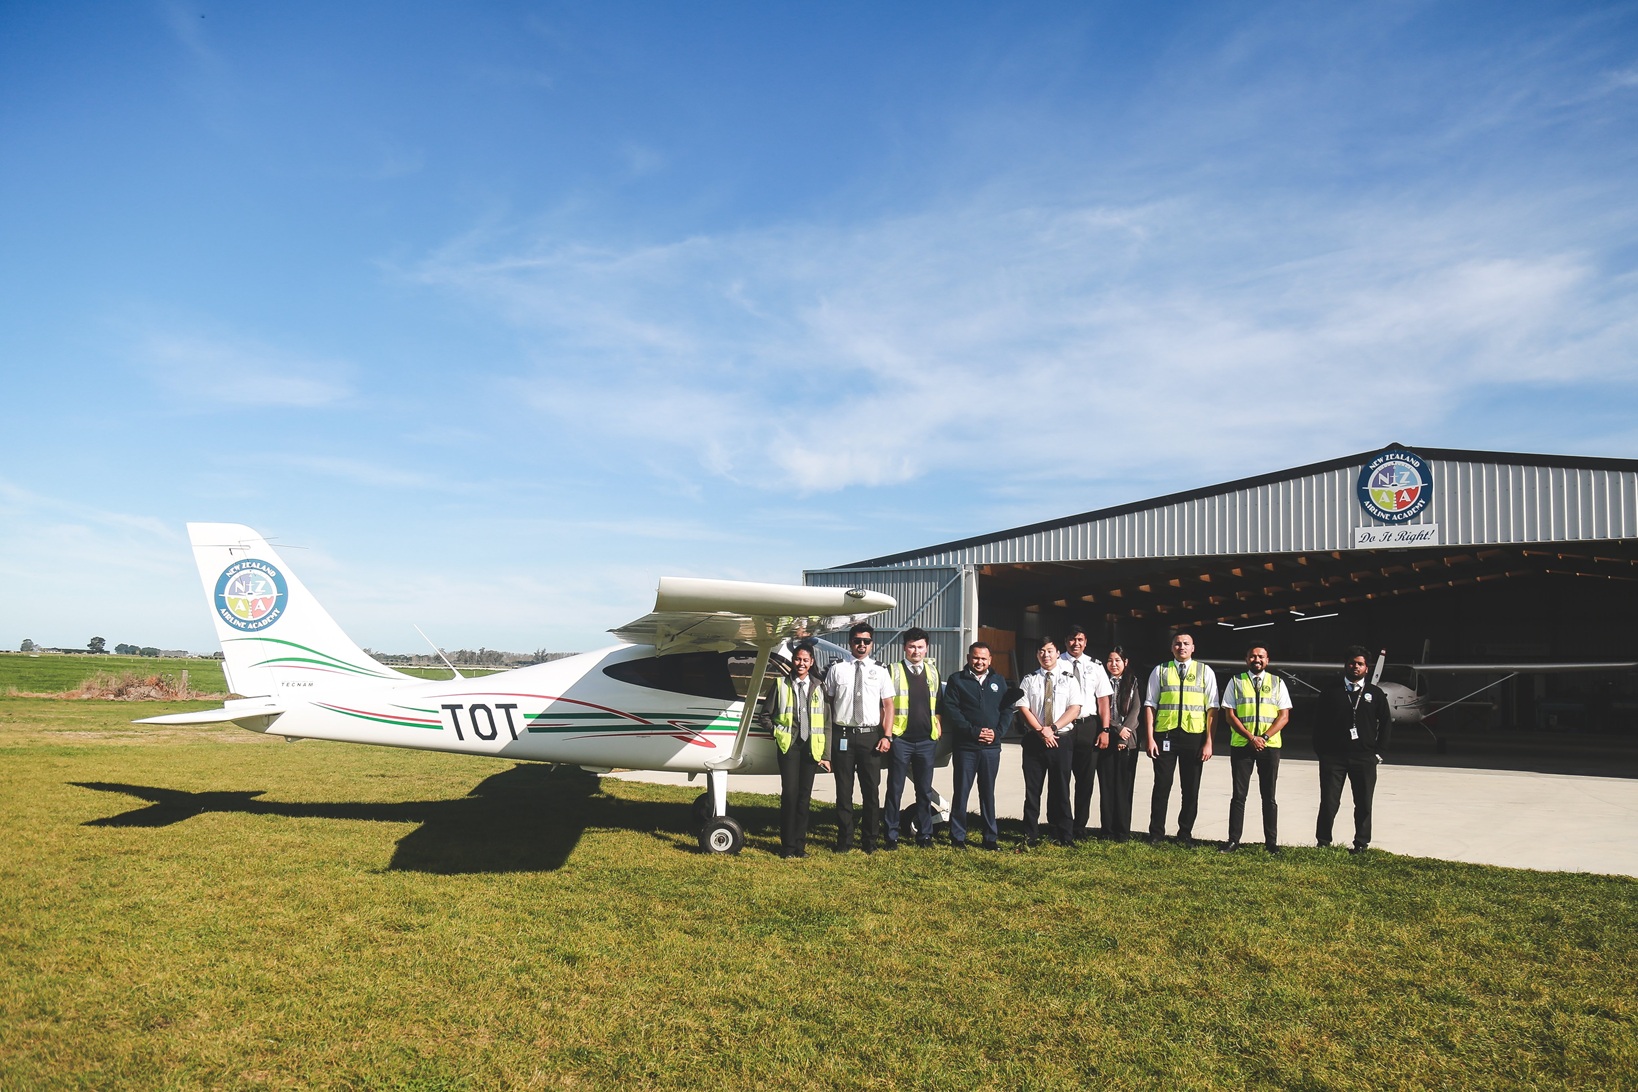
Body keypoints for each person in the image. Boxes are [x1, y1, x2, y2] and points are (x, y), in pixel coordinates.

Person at [823, 622, 896, 853]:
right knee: (844, 791)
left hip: (870, 737)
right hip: (843, 736)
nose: (861, 645)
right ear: (850, 643)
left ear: (871, 644)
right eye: (857, 641)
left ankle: (870, 842)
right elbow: (828, 704)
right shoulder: (837, 669)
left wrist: (887, 735)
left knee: (871, 792)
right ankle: (844, 841)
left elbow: (888, 705)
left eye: (866, 641)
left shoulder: (881, 670)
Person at [755, 641, 831, 858]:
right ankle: (787, 847)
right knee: (789, 795)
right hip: (790, 747)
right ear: (793, 661)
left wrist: (825, 755)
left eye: (805, 660)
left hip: (811, 748)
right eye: (798, 659)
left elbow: (826, 723)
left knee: (804, 798)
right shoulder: (780, 685)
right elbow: (765, 716)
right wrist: (778, 733)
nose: (801, 663)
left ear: (812, 662)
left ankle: (800, 846)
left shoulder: (819, 686)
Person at [1313, 645, 1393, 853]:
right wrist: (1322, 752)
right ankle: (1323, 842)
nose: (1355, 667)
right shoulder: (1331, 691)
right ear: (1345, 665)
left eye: (1360, 664)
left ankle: (1361, 843)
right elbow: (1317, 723)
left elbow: (1386, 723)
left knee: (1364, 803)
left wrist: (1378, 753)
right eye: (1352, 663)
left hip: (1364, 758)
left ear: (1367, 667)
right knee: (1329, 802)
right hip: (1333, 758)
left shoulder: (1375, 694)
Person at [1144, 632, 1218, 847]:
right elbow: (1150, 705)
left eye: (1186, 644)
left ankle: (1185, 832)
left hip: (1193, 736)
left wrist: (1209, 741)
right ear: (1171, 647)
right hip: (1165, 734)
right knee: (1162, 785)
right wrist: (1150, 738)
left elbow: (1212, 708)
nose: (1182, 647)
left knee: (1191, 787)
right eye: (1178, 644)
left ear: (1193, 647)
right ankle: (1156, 832)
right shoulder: (1160, 670)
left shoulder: (1205, 672)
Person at [940, 641, 1013, 849]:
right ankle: (957, 837)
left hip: (991, 748)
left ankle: (990, 838)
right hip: (967, 747)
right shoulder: (957, 680)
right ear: (968, 658)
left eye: (983, 658)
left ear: (990, 660)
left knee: (987, 793)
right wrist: (974, 732)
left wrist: (997, 733)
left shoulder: (998, 681)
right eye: (975, 657)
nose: (979, 661)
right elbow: (952, 711)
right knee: (961, 791)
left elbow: (1007, 710)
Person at [1220, 644, 1292, 854]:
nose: (1257, 660)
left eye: (1261, 656)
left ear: (1267, 660)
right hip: (1243, 745)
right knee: (1238, 795)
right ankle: (1233, 840)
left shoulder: (1278, 683)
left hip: (1269, 747)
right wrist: (1251, 737)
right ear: (1246, 659)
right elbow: (1230, 715)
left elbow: (1284, 716)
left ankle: (1271, 842)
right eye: (1253, 656)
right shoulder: (1236, 681)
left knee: (1268, 796)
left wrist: (1264, 737)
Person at [1016, 639, 1083, 846]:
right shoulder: (1029, 680)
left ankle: (1064, 834)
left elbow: (1075, 708)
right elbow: (1023, 708)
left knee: (1061, 790)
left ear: (1057, 653)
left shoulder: (1069, 679)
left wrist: (1051, 729)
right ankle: (1030, 835)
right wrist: (1040, 731)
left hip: (1060, 741)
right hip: (1035, 741)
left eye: (1050, 651)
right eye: (1042, 651)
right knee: (1033, 791)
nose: (1046, 655)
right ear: (1037, 655)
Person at [884, 627, 941, 848]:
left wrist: (938, 723)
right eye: (911, 646)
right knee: (895, 788)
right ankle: (891, 835)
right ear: (904, 648)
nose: (915, 651)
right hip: (901, 739)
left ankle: (925, 835)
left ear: (926, 648)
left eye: (920, 647)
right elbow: (884, 704)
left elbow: (938, 703)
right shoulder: (893, 671)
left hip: (926, 740)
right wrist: (888, 734)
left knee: (924, 790)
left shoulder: (933, 672)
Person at [1061, 625, 1113, 840]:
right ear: (1066, 641)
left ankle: (1079, 827)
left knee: (1085, 780)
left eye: (1080, 639)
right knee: (1061, 779)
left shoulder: (1096, 666)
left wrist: (1105, 730)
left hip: (1088, 726)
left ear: (1086, 642)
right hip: (1063, 726)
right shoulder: (1056, 663)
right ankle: (1060, 825)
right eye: (1073, 639)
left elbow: (1103, 701)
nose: (1076, 643)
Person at [1095, 646, 1142, 841]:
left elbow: (1136, 710)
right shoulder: (1101, 682)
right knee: (1106, 787)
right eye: (1110, 660)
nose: (1113, 664)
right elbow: (1100, 710)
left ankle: (1122, 831)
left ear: (1126, 662)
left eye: (1118, 660)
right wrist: (1115, 727)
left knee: (1123, 787)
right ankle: (1107, 830)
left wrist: (1124, 735)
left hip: (1127, 740)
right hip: (1106, 737)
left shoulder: (1133, 683)